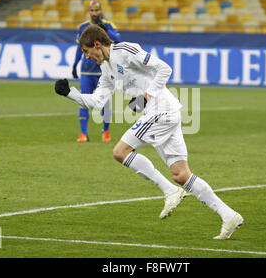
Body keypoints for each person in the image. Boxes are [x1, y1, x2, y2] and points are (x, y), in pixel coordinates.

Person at [55, 24, 243, 239]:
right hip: (163, 114)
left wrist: (146, 96)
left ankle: (170, 191)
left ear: (97, 45)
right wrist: (70, 93)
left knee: (120, 151)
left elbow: (164, 69)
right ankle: (229, 215)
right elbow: (98, 102)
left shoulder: (126, 50)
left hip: (160, 111)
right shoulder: (106, 69)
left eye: (87, 52)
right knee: (181, 175)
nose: (87, 58)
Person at [71, 0, 121, 143]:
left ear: (101, 10)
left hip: (103, 70)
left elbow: (119, 40)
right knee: (83, 101)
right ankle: (83, 134)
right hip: (86, 71)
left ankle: (106, 132)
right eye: (91, 10)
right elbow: (79, 48)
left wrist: (107, 30)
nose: (94, 13)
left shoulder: (109, 25)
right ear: (89, 11)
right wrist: (75, 64)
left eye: (96, 10)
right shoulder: (82, 27)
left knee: (104, 102)